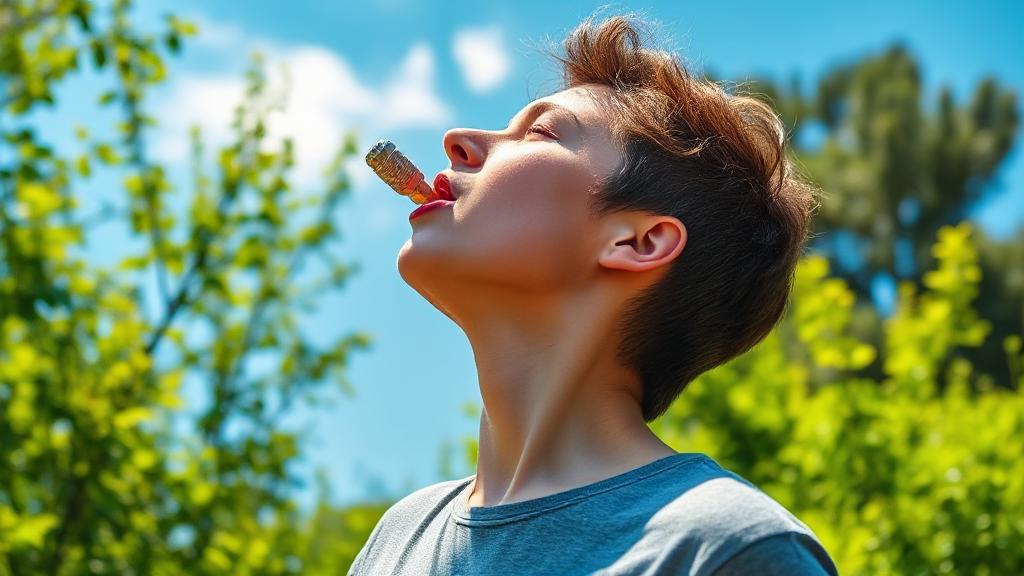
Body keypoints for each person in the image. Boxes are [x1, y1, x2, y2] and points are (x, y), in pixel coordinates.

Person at [349, 10, 838, 576]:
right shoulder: (396, 541)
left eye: (539, 131)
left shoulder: (724, 549)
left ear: (639, 241)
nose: (458, 141)